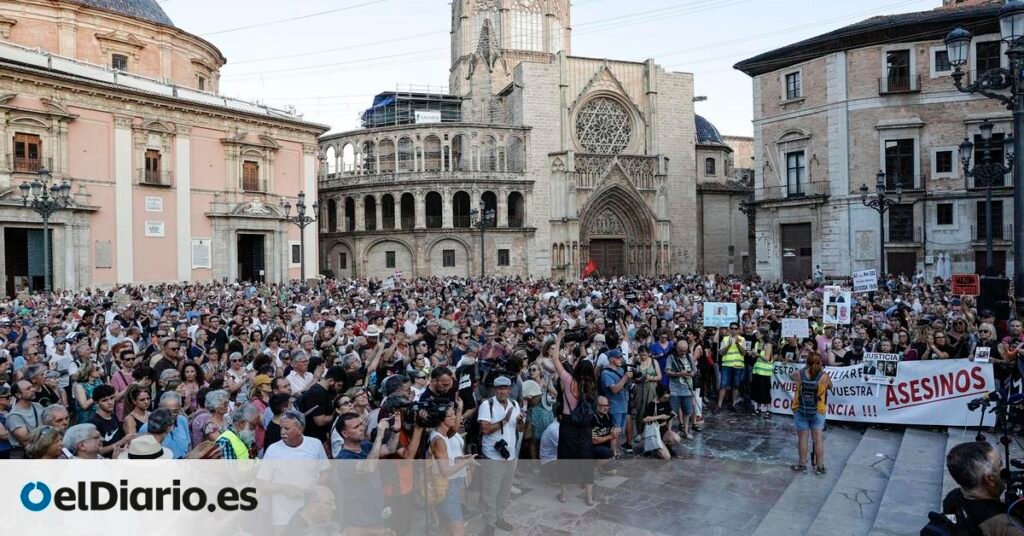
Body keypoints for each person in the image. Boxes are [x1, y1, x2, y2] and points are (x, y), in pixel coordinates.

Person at [944, 441, 1024, 536]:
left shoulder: (952, 497)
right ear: (990, 479)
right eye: (1000, 464)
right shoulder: (1006, 527)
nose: (1004, 469)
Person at [477, 375, 524, 534]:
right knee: (490, 492)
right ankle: (489, 524)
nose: (503, 392)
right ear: (494, 390)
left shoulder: (514, 404)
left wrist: (520, 422)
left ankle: (499, 517)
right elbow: (485, 429)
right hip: (493, 457)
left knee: (504, 491)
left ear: (510, 390)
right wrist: (505, 420)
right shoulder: (487, 405)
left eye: (506, 388)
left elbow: (520, 429)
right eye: (500, 389)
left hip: (510, 456)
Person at [429, 403, 478, 536]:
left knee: (445, 529)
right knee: (458, 531)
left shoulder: (444, 435)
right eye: (450, 415)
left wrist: (460, 458)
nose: (454, 418)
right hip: (446, 489)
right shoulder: (439, 440)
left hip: (447, 487)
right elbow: (445, 471)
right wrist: (466, 462)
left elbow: (445, 460)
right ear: (441, 419)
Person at [790, 352, 832, 475]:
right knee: (818, 439)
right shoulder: (824, 376)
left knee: (803, 439)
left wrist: (805, 367)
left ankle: (802, 465)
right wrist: (821, 370)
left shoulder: (799, 374)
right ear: (820, 362)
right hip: (818, 410)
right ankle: (820, 467)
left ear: (807, 362)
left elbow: (790, 376)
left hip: (801, 409)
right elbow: (830, 386)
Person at [138, 392, 191, 459]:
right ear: (159, 408)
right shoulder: (147, 427)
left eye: (175, 411)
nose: (171, 415)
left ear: (179, 409)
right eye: (167, 411)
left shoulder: (182, 420)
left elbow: (189, 444)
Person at [665, 341, 697, 439]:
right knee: (672, 412)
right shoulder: (671, 357)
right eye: (681, 351)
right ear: (677, 349)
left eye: (685, 350)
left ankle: (685, 431)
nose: (683, 353)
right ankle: (668, 432)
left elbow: (694, 370)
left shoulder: (689, 356)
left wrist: (691, 373)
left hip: (687, 389)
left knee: (687, 412)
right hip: (675, 390)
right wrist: (678, 373)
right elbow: (667, 371)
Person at [7, 380, 44, 459]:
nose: (33, 389)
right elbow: (26, 441)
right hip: (24, 455)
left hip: (40, 449)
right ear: (18, 395)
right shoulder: (14, 416)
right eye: (28, 388)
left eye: (32, 387)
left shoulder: (38, 406)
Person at [718, 323, 747, 411]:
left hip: (738, 366)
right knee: (723, 385)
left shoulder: (742, 339)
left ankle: (734, 404)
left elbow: (744, 353)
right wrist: (729, 345)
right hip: (727, 365)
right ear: (729, 329)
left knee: (736, 386)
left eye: (735, 328)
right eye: (732, 328)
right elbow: (721, 353)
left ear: (738, 330)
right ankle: (719, 405)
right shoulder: (725, 339)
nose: (734, 330)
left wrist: (737, 344)